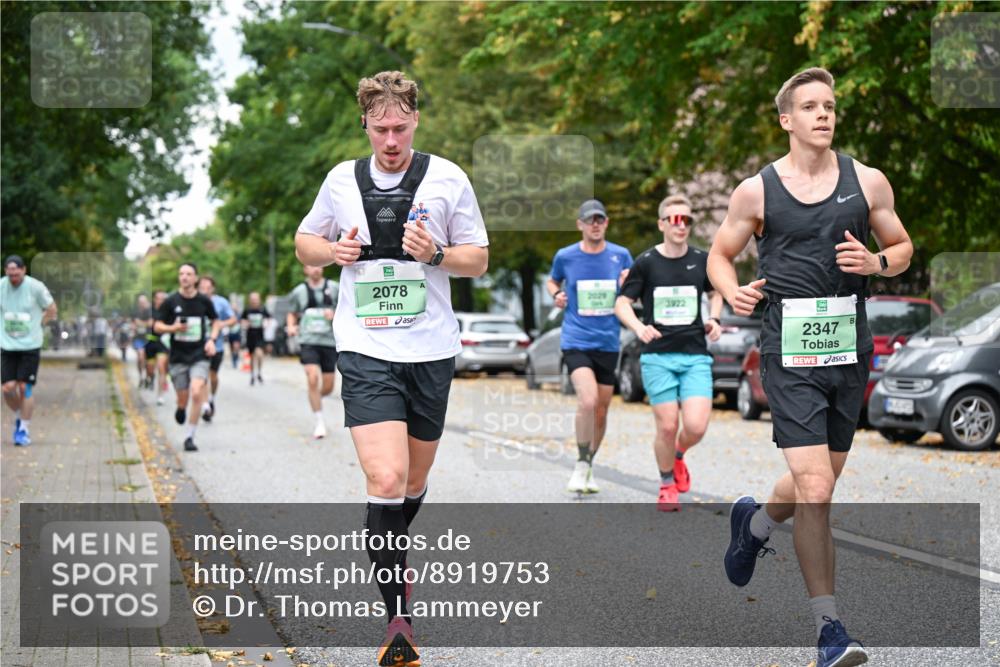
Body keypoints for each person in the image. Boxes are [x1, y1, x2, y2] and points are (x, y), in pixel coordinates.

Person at [707, 67, 913, 667]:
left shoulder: (867, 181)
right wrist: (731, 290)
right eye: (810, 106)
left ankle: (754, 526)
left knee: (815, 481)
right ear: (786, 120)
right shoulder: (757, 191)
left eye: (830, 105)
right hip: (789, 353)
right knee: (816, 487)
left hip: (849, 351)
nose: (824, 114)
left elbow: (902, 248)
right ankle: (830, 630)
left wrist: (876, 262)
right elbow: (720, 255)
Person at [295, 70, 489, 666]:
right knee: (385, 479)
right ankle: (397, 621)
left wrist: (437, 253)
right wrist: (333, 251)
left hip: (430, 352)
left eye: (400, 127)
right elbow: (304, 242)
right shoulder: (341, 180)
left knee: (410, 483)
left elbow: (478, 260)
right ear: (365, 124)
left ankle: (390, 544)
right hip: (365, 349)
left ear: (416, 120)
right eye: (380, 128)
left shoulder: (448, 178)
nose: (391, 140)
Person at [615, 194, 722, 511]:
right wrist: (638, 328)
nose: (681, 225)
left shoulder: (702, 260)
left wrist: (715, 318)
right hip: (657, 356)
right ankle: (666, 484)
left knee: (696, 427)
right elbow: (622, 303)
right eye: (674, 219)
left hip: (695, 355)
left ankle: (677, 455)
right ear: (661, 224)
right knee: (666, 426)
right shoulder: (646, 262)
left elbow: (716, 292)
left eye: (686, 219)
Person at [546, 199, 633, 494]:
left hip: (608, 341)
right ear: (580, 225)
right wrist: (557, 294)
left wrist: (628, 283)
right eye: (589, 220)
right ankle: (581, 463)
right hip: (576, 339)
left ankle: (589, 464)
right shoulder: (566, 256)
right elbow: (552, 281)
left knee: (601, 411)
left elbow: (632, 292)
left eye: (600, 220)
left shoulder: (621, 255)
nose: (595, 225)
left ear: (606, 223)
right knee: (588, 400)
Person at [154, 263, 220, 452]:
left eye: (188, 274)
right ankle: (181, 407)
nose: (184, 277)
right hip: (178, 356)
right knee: (183, 397)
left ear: (195, 278)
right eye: (181, 274)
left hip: (199, 354)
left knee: (197, 391)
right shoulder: (171, 301)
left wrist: (212, 340)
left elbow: (216, 322)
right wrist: (173, 328)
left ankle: (190, 436)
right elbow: (157, 326)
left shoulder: (204, 301)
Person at [1, 255, 57, 446]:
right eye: (10, 274)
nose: (13, 278)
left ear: (24, 270)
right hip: (8, 345)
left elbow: (52, 309)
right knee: (7, 388)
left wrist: (39, 324)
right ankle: (20, 415)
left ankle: (23, 430)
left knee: (25, 387)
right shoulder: (1, 287)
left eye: (17, 274)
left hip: (30, 346)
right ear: (6, 272)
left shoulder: (36, 287)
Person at [286, 264, 338, 439]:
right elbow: (292, 313)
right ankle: (319, 421)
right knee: (312, 377)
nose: (316, 269)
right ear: (305, 270)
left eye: (319, 266)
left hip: (329, 341)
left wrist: (335, 314)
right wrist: (291, 326)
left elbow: (348, 308)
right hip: (308, 341)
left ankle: (314, 397)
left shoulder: (334, 287)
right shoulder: (299, 291)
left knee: (328, 387)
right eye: (312, 266)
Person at [197, 276, 237, 422]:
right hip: (198, 345)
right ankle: (205, 406)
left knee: (213, 375)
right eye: (202, 287)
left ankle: (211, 398)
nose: (205, 290)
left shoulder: (221, 302)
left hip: (217, 345)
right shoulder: (194, 301)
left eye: (208, 287)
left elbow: (233, 319)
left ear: (213, 288)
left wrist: (221, 324)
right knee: (202, 376)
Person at [145, 290, 170, 404]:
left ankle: (160, 395)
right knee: (150, 369)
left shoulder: (168, 310)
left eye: (162, 298)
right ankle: (151, 377)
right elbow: (138, 322)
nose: (160, 300)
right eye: (158, 298)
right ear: (154, 299)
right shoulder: (148, 311)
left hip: (163, 342)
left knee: (161, 367)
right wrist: (146, 323)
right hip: (150, 342)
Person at [241, 292, 268, 385]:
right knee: (252, 356)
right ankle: (252, 374)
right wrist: (245, 324)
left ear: (259, 300)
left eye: (256, 299)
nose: (254, 301)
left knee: (260, 354)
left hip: (260, 335)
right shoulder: (247, 310)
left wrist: (266, 323)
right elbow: (242, 320)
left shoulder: (262, 309)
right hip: (250, 336)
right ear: (250, 300)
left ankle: (259, 372)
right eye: (252, 299)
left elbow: (269, 318)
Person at [132, 295, 153, 387]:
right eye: (140, 302)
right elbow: (133, 324)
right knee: (140, 357)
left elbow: (150, 323)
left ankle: (150, 377)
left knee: (149, 361)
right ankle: (141, 377)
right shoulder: (135, 312)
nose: (142, 304)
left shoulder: (150, 311)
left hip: (148, 338)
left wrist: (140, 323)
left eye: (144, 302)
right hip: (138, 338)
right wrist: (134, 326)